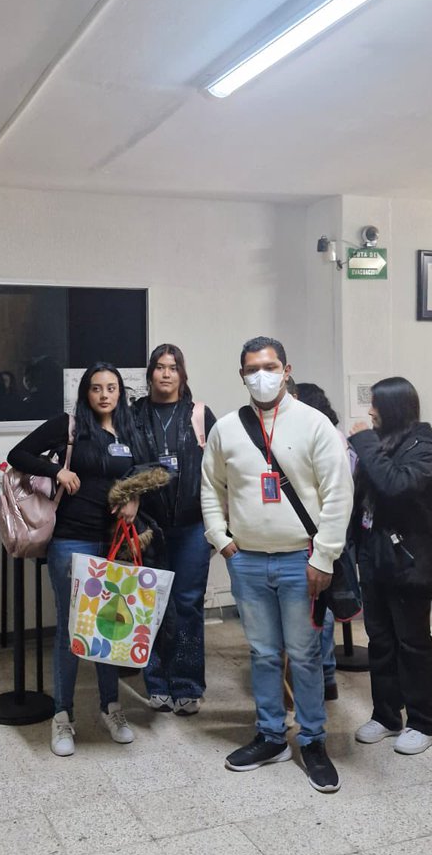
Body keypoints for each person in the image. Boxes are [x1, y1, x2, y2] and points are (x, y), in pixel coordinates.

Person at [201, 337, 353, 793]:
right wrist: (222, 540)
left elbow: (338, 494)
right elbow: (211, 488)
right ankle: (270, 736)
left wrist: (324, 555)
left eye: (269, 367)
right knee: (264, 654)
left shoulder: (315, 424)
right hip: (246, 562)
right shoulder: (226, 428)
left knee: (305, 656)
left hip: (301, 562)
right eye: (251, 369)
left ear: (287, 370)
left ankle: (312, 740)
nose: (261, 376)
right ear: (242, 375)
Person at [7, 362, 146, 755]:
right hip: (72, 541)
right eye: (97, 388)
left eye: (112, 388)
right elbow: (18, 454)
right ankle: (63, 717)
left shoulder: (129, 428)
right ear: (86, 392)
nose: (105, 395)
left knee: (110, 629)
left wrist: (135, 495)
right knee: (71, 633)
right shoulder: (68, 426)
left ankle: (110, 707)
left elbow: (138, 471)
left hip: (114, 542)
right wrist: (56, 471)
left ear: (121, 393)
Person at [349, 377, 432, 755]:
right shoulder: (384, 442)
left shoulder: (428, 445)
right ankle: (387, 716)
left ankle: (424, 722)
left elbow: (396, 485)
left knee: (413, 644)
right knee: (381, 642)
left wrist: (364, 443)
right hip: (375, 558)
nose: (369, 412)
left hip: (410, 561)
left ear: (394, 408)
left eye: (375, 405)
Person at [131, 344, 217, 715]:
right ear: (150, 373)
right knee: (150, 605)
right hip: (148, 526)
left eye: (173, 368)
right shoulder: (133, 415)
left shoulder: (198, 415)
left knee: (187, 605)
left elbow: (218, 471)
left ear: (182, 374)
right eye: (160, 368)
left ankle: (187, 684)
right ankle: (157, 681)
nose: (166, 374)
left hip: (192, 527)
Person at [296, 382, 352, 702]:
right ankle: (325, 674)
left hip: (319, 534)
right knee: (320, 605)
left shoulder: (325, 438)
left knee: (320, 606)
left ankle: (323, 674)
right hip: (321, 531)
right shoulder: (334, 435)